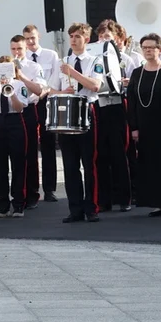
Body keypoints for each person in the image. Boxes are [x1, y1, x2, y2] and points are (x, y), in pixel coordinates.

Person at [127, 35, 161, 216]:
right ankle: (155, 202)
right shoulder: (137, 73)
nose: (148, 50)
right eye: (145, 47)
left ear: (160, 49)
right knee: (149, 164)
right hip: (145, 126)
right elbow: (132, 101)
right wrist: (133, 127)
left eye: (151, 47)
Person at [54, 23, 104, 223]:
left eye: (78, 36)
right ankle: (75, 209)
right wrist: (60, 92)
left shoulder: (95, 61)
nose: (73, 40)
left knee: (89, 163)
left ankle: (91, 207)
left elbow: (95, 85)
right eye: (71, 36)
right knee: (70, 165)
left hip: (86, 110)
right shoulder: (63, 61)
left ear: (86, 40)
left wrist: (72, 73)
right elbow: (50, 90)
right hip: (66, 112)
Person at [93, 20, 131, 212]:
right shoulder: (93, 58)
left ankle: (124, 198)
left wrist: (126, 83)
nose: (103, 40)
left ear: (116, 38)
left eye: (107, 36)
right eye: (100, 36)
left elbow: (136, 81)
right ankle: (104, 199)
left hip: (116, 107)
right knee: (101, 155)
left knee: (118, 153)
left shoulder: (126, 58)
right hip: (99, 108)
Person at [8, 35, 47, 212]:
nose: (16, 52)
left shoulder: (34, 66)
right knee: (15, 155)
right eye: (13, 49)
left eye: (19, 49)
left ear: (25, 49)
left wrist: (21, 76)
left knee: (30, 153)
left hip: (29, 110)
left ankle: (32, 194)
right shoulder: (5, 65)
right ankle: (17, 194)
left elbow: (40, 90)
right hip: (11, 113)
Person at [24, 24, 61, 204]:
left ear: (39, 37)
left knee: (48, 147)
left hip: (47, 100)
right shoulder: (21, 57)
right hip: (29, 104)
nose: (30, 42)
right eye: (27, 38)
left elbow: (55, 77)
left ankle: (50, 189)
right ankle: (32, 190)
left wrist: (45, 91)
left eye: (33, 38)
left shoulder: (50, 55)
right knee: (30, 147)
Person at [0, 55, 30, 218]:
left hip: (15, 120)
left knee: (18, 163)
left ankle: (19, 203)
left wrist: (11, 91)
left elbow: (20, 107)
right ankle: (3, 204)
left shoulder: (19, 85)